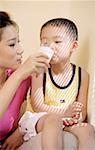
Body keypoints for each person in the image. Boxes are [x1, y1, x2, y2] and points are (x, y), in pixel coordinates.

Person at [18, 18, 95, 150]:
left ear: (73, 46)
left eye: (57, 42)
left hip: (65, 120)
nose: (50, 46)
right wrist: (64, 113)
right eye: (44, 42)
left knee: (87, 129)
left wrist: (77, 116)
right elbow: (38, 106)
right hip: (39, 119)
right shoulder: (39, 70)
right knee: (53, 120)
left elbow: (81, 107)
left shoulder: (82, 74)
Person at [0, 11, 50, 150]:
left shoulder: (23, 79)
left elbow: (31, 109)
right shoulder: (19, 76)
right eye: (12, 44)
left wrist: (20, 131)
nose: (21, 50)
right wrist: (20, 73)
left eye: (19, 42)